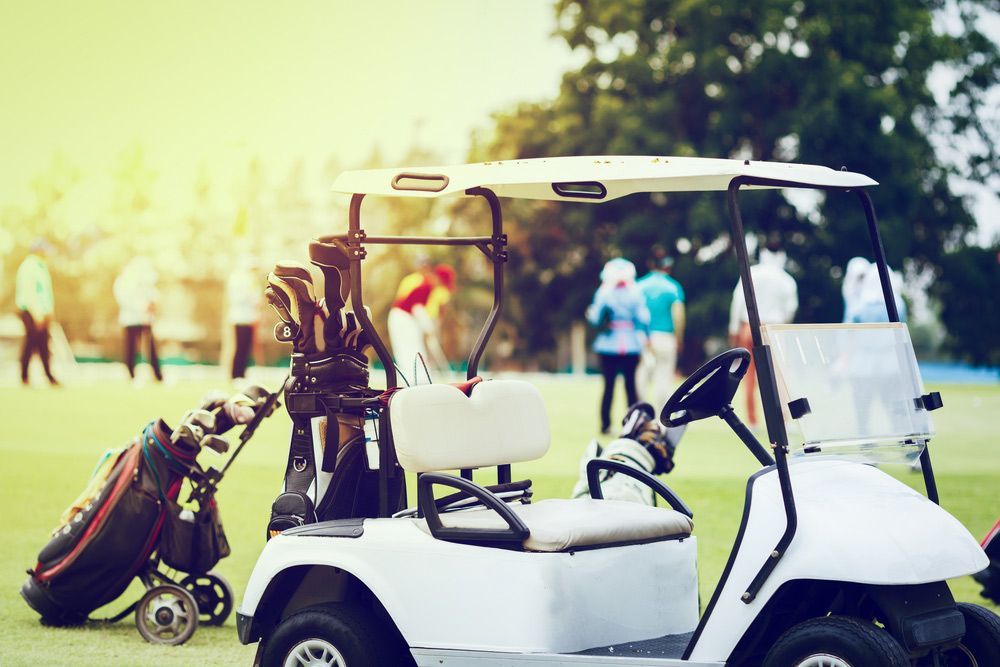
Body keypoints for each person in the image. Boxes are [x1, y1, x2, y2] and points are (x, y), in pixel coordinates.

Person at [728, 240, 798, 428]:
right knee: (778, 375)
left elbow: (737, 303)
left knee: (747, 374)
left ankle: (753, 420)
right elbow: (791, 308)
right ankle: (783, 417)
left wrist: (734, 330)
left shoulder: (752, 273)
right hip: (774, 329)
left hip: (749, 327)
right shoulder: (786, 279)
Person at [586, 258, 650, 434]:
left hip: (608, 344)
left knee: (608, 387)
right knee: (631, 387)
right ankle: (633, 424)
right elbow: (644, 318)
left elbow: (595, 318)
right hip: (631, 345)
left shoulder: (604, 292)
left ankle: (606, 425)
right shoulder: (635, 292)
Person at [387, 259, 457, 381]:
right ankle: (414, 380)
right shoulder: (426, 285)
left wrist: (428, 328)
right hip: (402, 318)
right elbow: (417, 308)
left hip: (405, 318)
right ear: (438, 278)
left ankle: (418, 380)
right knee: (410, 351)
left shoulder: (428, 285)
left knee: (414, 351)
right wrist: (428, 328)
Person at [636, 256, 686, 410]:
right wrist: (679, 338)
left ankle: (641, 411)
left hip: (643, 336)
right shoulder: (673, 287)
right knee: (663, 377)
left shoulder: (639, 286)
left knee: (642, 374)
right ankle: (662, 414)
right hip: (665, 337)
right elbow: (678, 316)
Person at [15, 239, 58, 386]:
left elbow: (44, 293)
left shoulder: (40, 267)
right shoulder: (29, 267)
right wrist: (37, 314)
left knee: (43, 345)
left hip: (42, 313)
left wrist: (48, 312)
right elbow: (30, 293)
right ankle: (24, 376)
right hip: (32, 312)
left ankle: (48, 376)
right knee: (31, 343)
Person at [113, 256, 162, 383]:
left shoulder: (146, 281)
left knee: (150, 349)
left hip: (145, 320)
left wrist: (150, 305)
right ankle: (132, 375)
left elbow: (154, 295)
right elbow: (123, 298)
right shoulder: (123, 281)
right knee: (131, 349)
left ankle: (158, 376)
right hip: (130, 320)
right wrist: (142, 306)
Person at [225, 256, 263, 380]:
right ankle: (236, 374)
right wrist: (252, 297)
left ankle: (242, 374)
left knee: (246, 348)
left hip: (249, 318)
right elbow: (239, 298)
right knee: (241, 347)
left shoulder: (250, 280)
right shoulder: (238, 279)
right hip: (240, 318)